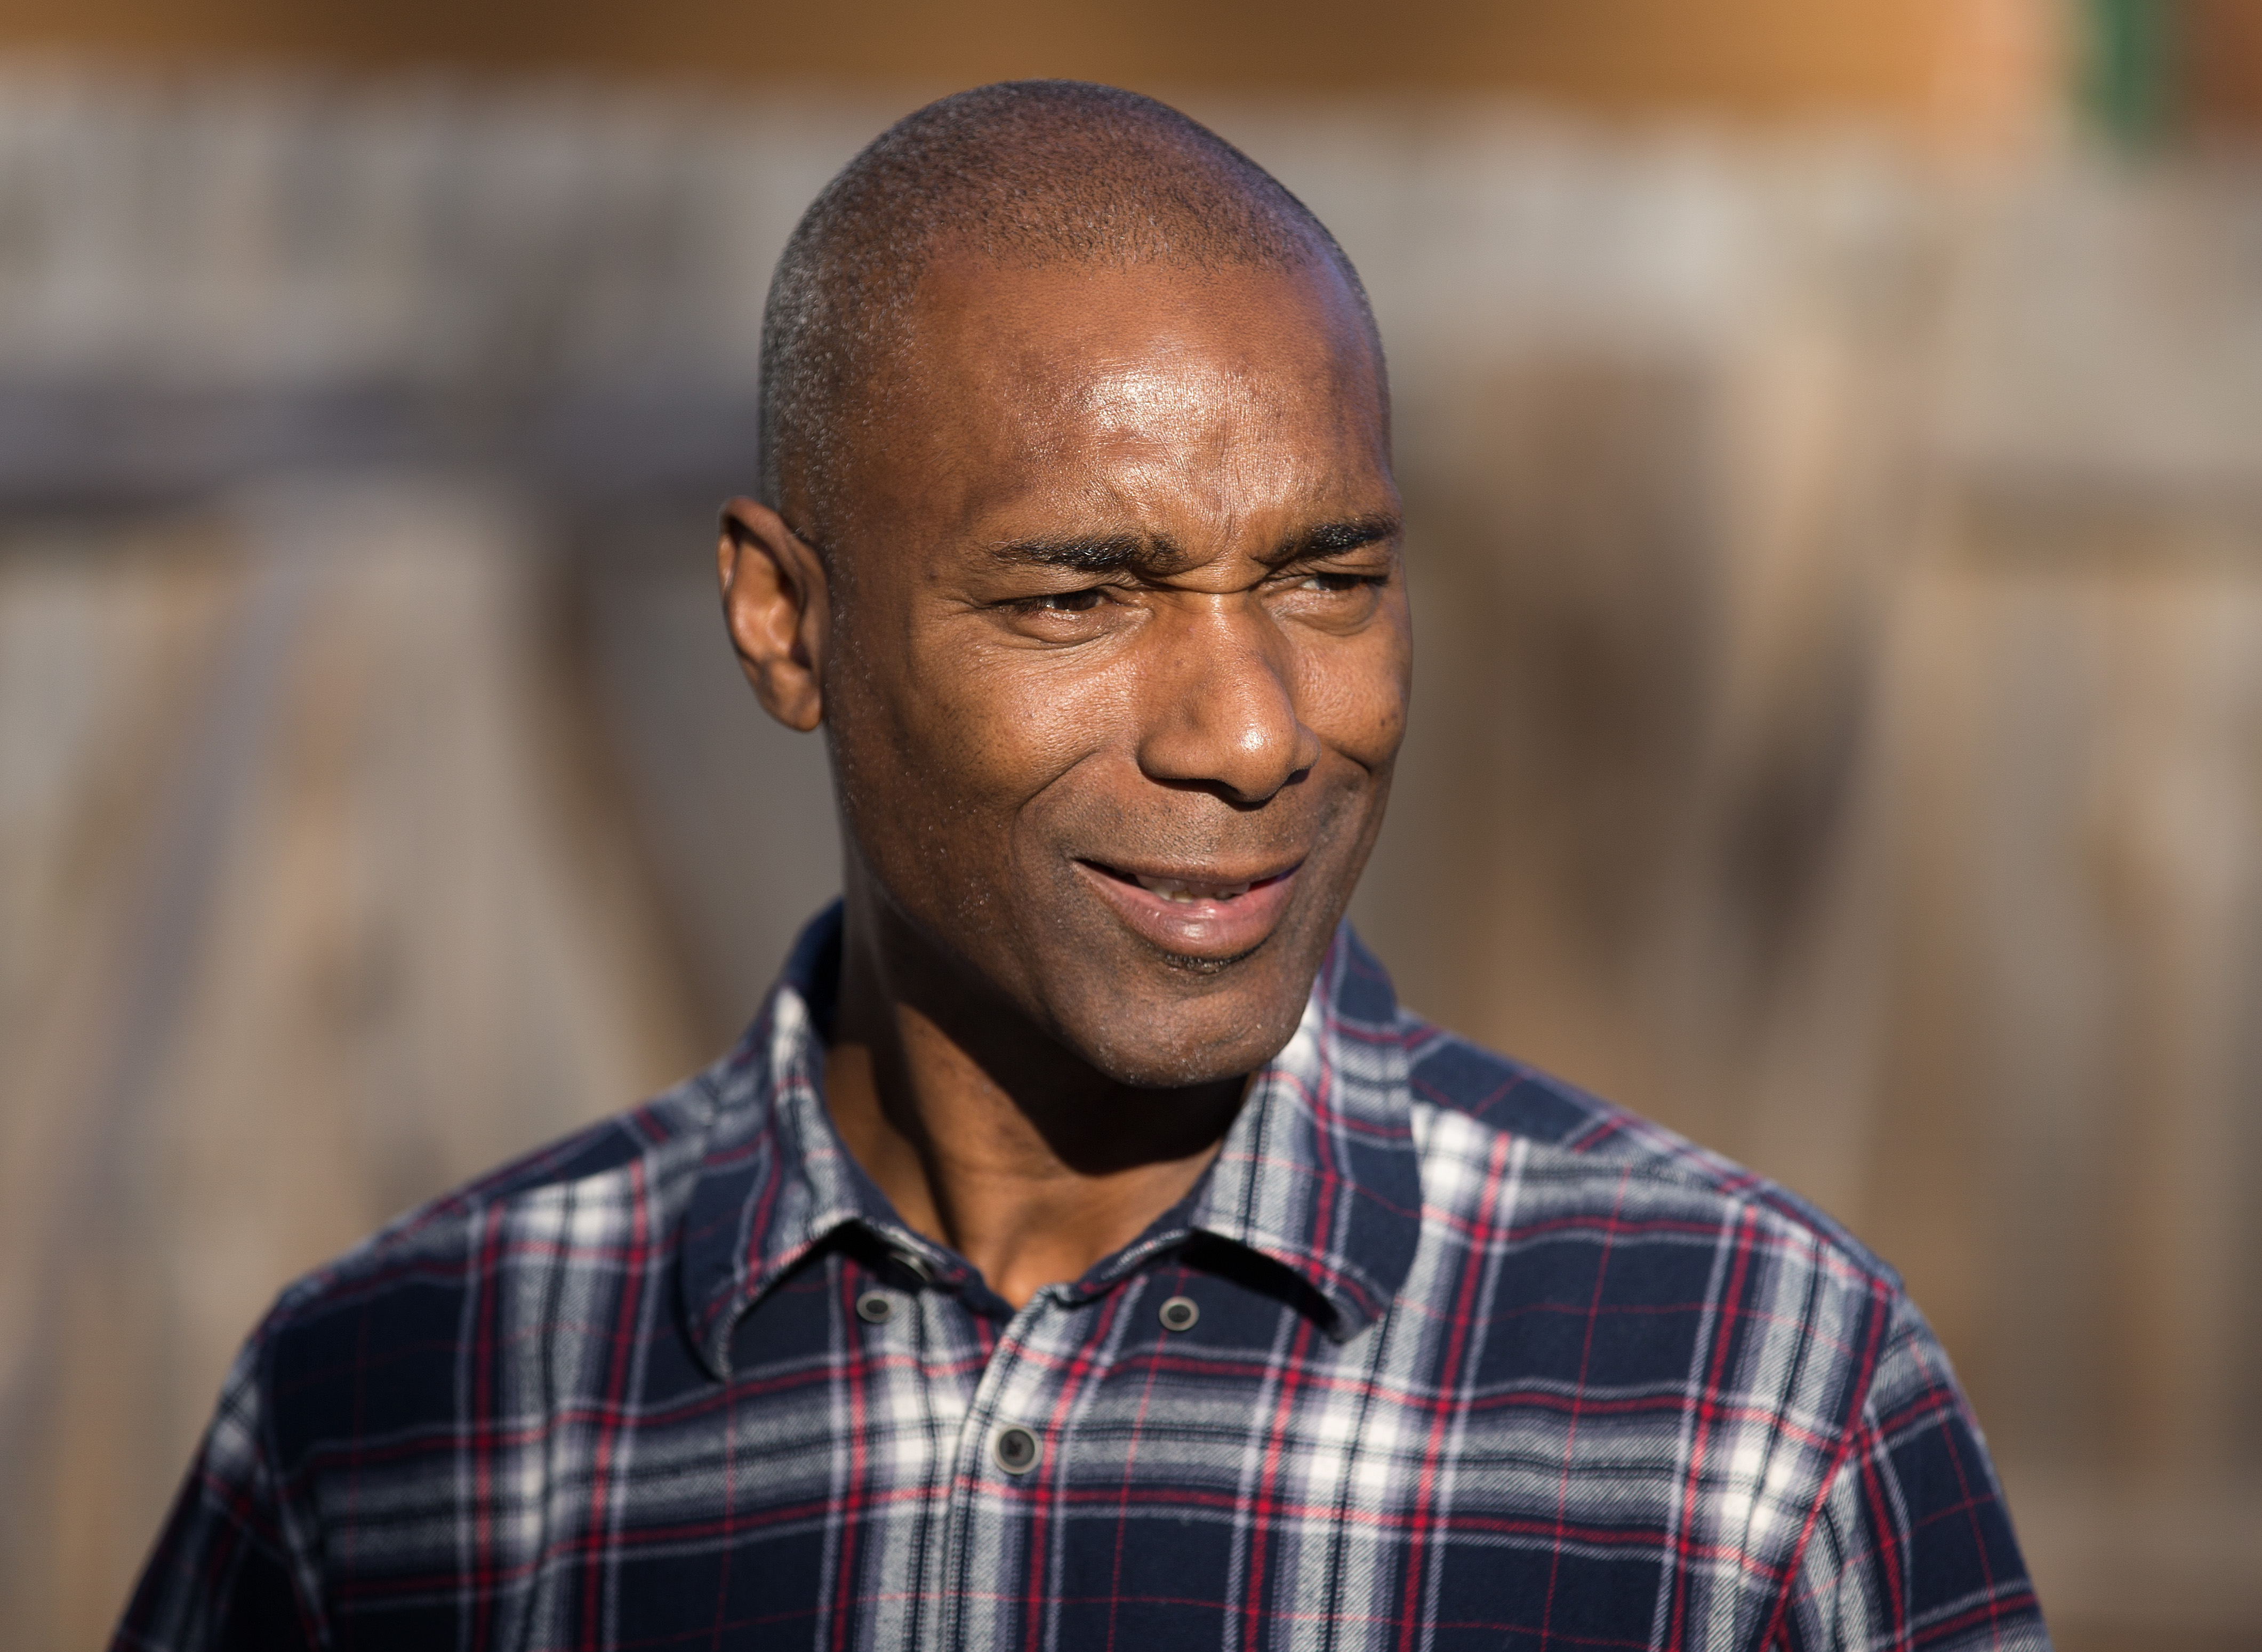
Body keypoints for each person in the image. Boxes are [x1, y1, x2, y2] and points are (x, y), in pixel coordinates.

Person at [116, 82, 2047, 1650]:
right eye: (1079, 595)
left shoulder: (1748, 1408)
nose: (1255, 727)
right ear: (787, 622)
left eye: (1333, 580)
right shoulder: (403, 1429)